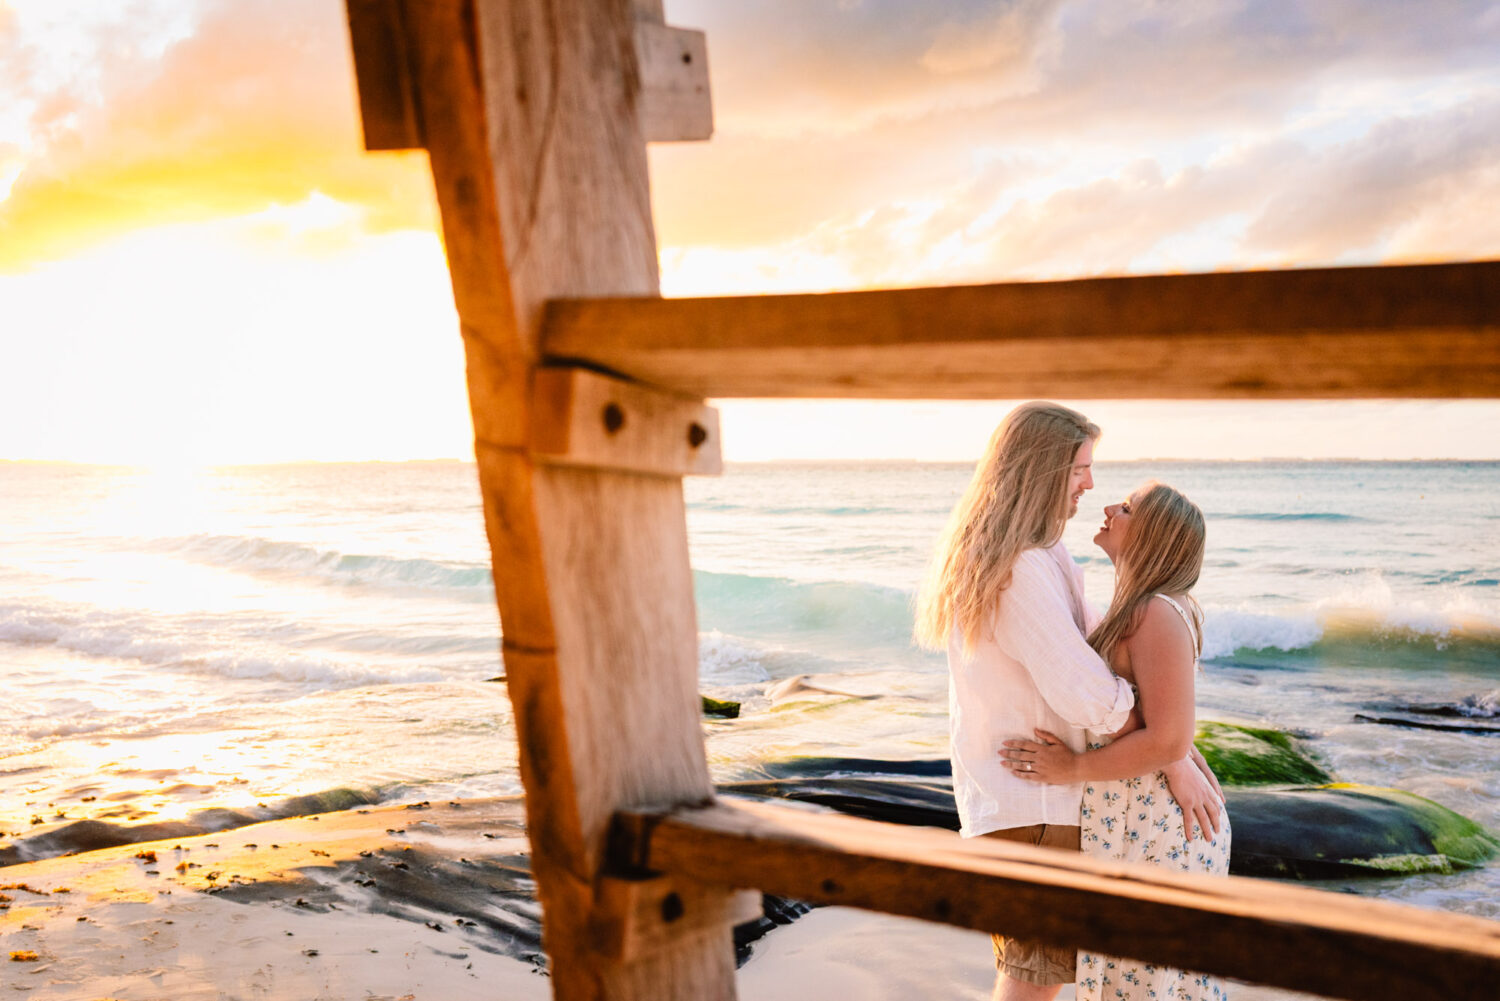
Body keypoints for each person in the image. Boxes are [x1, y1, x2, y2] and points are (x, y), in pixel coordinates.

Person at [916, 402, 1221, 1001]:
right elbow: (1088, 692)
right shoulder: (1022, 565)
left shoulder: (1042, 554)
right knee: (1034, 982)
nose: (1090, 484)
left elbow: (1092, 654)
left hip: (1032, 802)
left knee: (1036, 978)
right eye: (1080, 467)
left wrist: (1171, 748)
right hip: (1036, 803)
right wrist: (1171, 754)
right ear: (1042, 470)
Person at [1000, 481, 1230, 1001]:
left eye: (1126, 508)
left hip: (1159, 826)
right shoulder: (1139, 609)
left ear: (1152, 535)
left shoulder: (1155, 614)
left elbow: (1170, 737)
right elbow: (1161, 724)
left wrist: (1070, 770)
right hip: (1138, 812)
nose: (1108, 508)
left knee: (1147, 984)